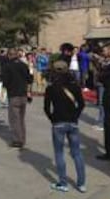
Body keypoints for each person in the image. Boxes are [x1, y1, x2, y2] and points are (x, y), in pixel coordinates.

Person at [44, 61, 86, 193]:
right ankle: (81, 184)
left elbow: (46, 108)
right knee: (77, 153)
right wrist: (76, 116)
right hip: (73, 122)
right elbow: (82, 104)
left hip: (58, 122)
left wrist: (52, 119)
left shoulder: (51, 88)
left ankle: (63, 183)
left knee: (59, 153)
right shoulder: (75, 86)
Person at [1, 48, 33, 148]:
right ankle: (22, 138)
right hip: (23, 95)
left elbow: (5, 82)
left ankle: (17, 141)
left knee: (14, 119)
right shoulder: (24, 65)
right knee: (21, 119)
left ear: (9, 55)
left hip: (13, 95)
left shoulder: (7, 66)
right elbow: (30, 79)